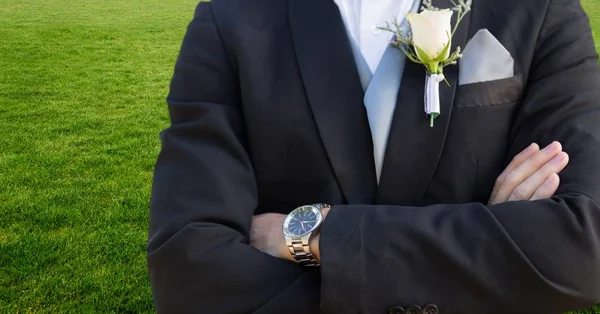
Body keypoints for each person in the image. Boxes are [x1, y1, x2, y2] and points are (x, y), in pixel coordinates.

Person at [147, 0, 600, 312]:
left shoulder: (541, 9)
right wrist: (491, 251)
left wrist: (311, 235)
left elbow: (583, 245)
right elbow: (188, 273)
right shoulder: (228, 18)